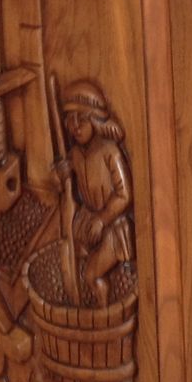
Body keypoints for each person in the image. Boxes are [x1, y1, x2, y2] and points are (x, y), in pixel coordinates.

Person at [58, 79, 134, 306]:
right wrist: (61, 173)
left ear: (95, 118)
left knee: (92, 275)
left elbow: (124, 195)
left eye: (81, 118)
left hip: (110, 227)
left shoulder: (110, 152)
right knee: (69, 262)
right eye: (70, 119)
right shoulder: (76, 154)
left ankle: (103, 317)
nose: (75, 126)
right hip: (86, 222)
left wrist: (102, 219)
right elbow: (62, 177)